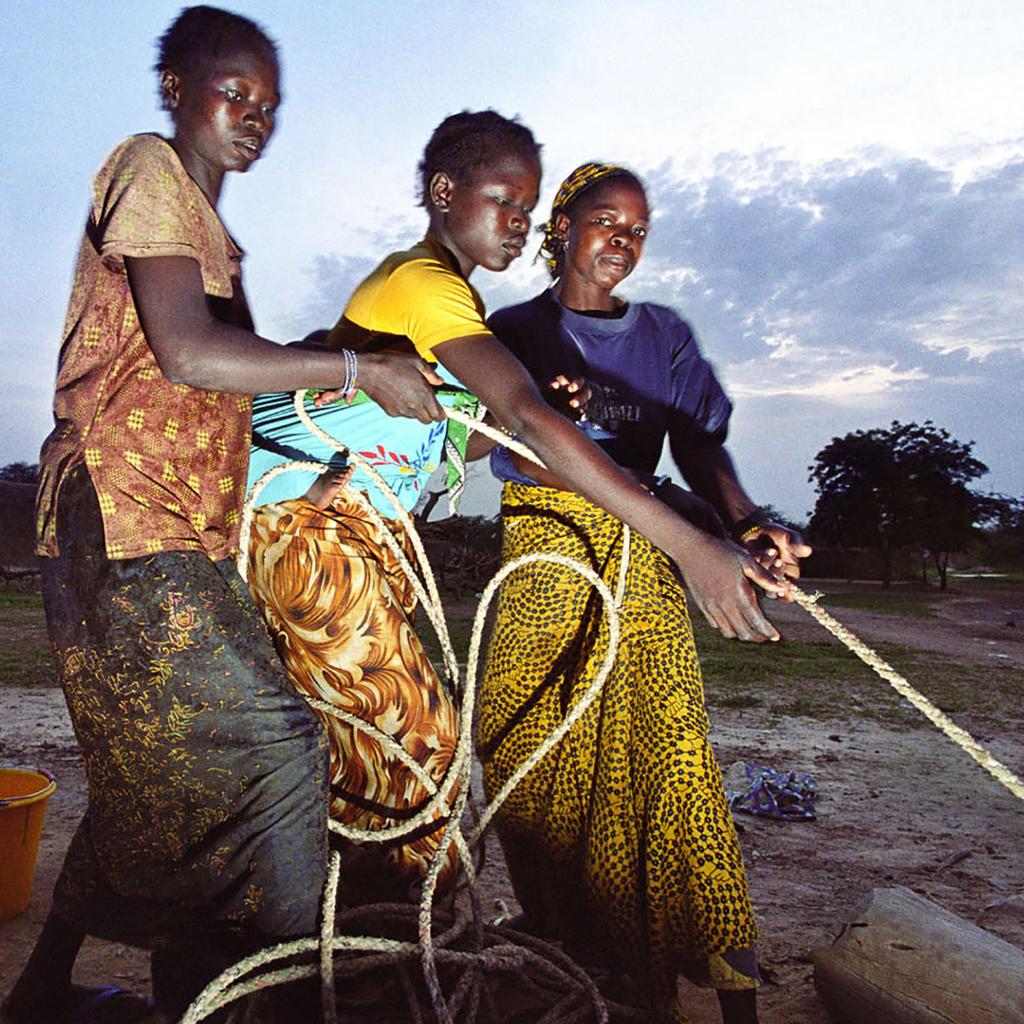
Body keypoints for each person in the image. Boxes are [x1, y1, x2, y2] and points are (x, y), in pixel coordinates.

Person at [0, 8, 447, 1024]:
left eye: (269, 106)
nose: (254, 117)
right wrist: (355, 366)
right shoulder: (149, 169)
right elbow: (189, 356)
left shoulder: (214, 242)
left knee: (159, 775)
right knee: (274, 750)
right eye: (233, 91)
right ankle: (277, 996)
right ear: (173, 84)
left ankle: (51, 991)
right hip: (125, 522)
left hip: (168, 532)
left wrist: (325, 459)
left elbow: (223, 394)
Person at [243, 115, 793, 907]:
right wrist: (693, 545)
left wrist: (505, 417)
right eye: (503, 200)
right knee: (421, 757)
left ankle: (378, 947)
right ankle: (384, 962)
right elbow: (529, 427)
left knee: (391, 758)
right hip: (317, 536)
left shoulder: (454, 307)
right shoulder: (430, 289)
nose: (516, 223)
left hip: (365, 540)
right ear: (444, 193)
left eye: (525, 208)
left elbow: (460, 441)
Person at [475, 163, 812, 1024]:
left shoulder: (663, 334)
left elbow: (699, 448)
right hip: (546, 543)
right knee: (526, 754)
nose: (622, 241)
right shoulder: (512, 327)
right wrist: (547, 404)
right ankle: (577, 951)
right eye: (605, 221)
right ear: (561, 226)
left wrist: (744, 525)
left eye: (638, 230)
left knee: (671, 757)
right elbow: (495, 425)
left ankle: (730, 994)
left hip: (649, 543)